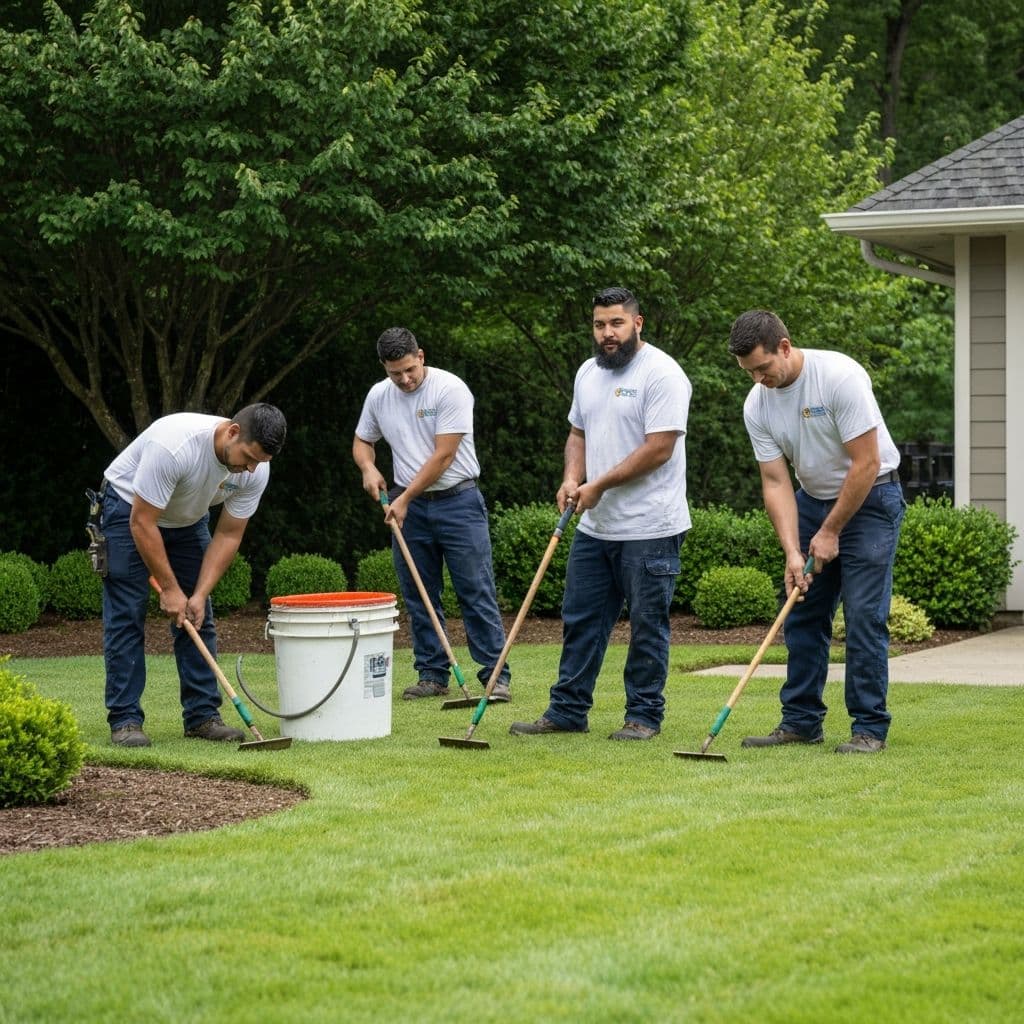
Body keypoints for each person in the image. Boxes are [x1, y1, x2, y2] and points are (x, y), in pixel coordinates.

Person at [509, 286, 691, 741]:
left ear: (637, 323)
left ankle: (643, 717)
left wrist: (598, 485)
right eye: (599, 324)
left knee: (647, 626)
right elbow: (578, 434)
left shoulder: (663, 373)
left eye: (616, 323)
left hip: (651, 525)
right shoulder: (588, 373)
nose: (607, 333)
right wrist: (573, 478)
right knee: (581, 620)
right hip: (595, 526)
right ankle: (568, 711)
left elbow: (659, 449)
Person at [727, 309, 905, 754]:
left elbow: (865, 463)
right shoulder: (757, 403)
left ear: (784, 347)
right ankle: (801, 722)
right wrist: (792, 549)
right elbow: (775, 482)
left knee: (864, 616)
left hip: (871, 498)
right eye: (748, 372)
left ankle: (869, 728)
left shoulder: (839, 377)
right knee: (802, 611)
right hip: (812, 500)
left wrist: (830, 532)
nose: (758, 380)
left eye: (763, 368)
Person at [100, 404, 287, 748]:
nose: (249, 469)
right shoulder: (175, 446)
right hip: (129, 509)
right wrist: (170, 588)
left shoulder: (255, 469)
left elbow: (229, 534)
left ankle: (202, 716)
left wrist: (198, 593)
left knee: (199, 616)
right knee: (127, 615)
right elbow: (142, 522)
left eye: (259, 462)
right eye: (248, 457)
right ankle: (125, 720)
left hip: (186, 520)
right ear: (232, 431)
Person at [352, 327, 511, 701]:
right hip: (410, 508)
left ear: (420, 355)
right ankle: (432, 674)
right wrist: (368, 467)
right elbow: (362, 441)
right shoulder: (379, 395)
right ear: (384, 368)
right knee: (419, 593)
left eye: (410, 369)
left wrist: (403, 497)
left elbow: (444, 455)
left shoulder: (450, 389)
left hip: (459, 502)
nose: (405, 379)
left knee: (475, 590)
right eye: (396, 373)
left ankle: (495, 676)